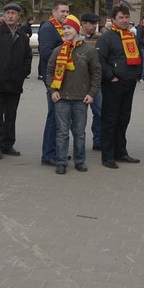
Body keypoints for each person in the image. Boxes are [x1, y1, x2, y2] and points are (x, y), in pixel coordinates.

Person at [45, 14, 100, 174]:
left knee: (79, 133)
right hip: (61, 98)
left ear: (76, 29)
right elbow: (49, 72)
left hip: (81, 99)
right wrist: (52, 91)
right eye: (64, 28)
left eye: (69, 28)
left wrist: (92, 93)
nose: (66, 31)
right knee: (62, 132)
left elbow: (96, 73)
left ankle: (79, 160)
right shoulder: (58, 51)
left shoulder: (88, 50)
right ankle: (61, 162)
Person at [96, 5, 142, 168]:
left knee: (123, 119)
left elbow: (138, 56)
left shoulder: (131, 36)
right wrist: (111, 76)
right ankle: (107, 156)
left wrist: (137, 75)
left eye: (126, 17)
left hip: (129, 83)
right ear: (114, 20)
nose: (124, 20)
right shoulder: (107, 37)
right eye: (121, 17)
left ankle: (120, 151)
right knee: (110, 120)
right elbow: (100, 59)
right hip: (113, 84)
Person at [0, 2, 32, 159]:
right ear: (4, 16)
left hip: (15, 82)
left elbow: (28, 57)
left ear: (19, 16)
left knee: (11, 115)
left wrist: (23, 72)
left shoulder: (22, 36)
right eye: (8, 13)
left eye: (13, 13)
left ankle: (8, 144)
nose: (10, 16)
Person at [38, 1, 69, 166]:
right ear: (54, 11)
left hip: (63, 78)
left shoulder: (62, 28)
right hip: (53, 79)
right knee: (54, 117)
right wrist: (66, 50)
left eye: (67, 11)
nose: (65, 14)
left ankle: (58, 150)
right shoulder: (49, 28)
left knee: (61, 117)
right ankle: (48, 154)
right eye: (62, 11)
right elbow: (46, 54)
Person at [79, 13, 103, 150]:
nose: (94, 26)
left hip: (96, 83)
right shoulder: (76, 37)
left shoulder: (100, 38)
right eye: (91, 23)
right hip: (79, 83)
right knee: (78, 116)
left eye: (96, 23)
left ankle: (98, 141)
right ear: (83, 23)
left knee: (100, 113)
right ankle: (78, 142)